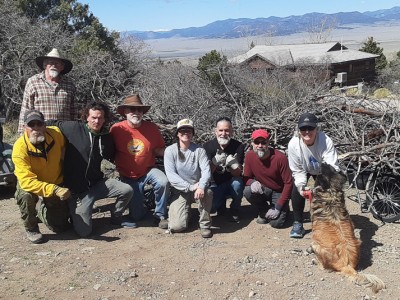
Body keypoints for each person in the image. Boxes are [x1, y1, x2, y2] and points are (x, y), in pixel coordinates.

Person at [50, 102, 134, 237]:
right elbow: (51, 123)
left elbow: (113, 156)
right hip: (75, 191)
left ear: (105, 119)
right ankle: (73, 210)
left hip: (96, 185)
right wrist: (33, 129)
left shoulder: (106, 137)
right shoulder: (73, 128)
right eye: (93, 117)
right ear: (86, 117)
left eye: (100, 118)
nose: (97, 121)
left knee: (127, 190)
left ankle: (116, 216)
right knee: (84, 232)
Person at [110, 94, 170, 229]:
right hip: (128, 175)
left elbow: (159, 150)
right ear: (125, 111)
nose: (136, 113)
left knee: (163, 182)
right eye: (132, 109)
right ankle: (140, 209)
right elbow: (109, 151)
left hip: (148, 170)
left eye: (140, 110)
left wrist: (178, 152)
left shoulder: (152, 128)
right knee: (137, 216)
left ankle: (160, 215)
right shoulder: (116, 129)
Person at [12, 110, 71, 243]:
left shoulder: (56, 134)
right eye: (31, 125)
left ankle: (42, 211)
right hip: (32, 185)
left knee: (60, 226)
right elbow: (27, 181)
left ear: (44, 126)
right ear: (24, 128)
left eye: (39, 124)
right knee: (25, 195)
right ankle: (31, 227)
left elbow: (66, 147)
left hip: (54, 181)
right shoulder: (19, 148)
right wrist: (55, 190)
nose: (36, 128)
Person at [287, 112, 339, 238]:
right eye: (303, 128)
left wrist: (321, 184)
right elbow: (297, 170)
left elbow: (330, 167)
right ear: (298, 130)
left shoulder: (325, 141)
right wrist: (301, 186)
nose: (307, 132)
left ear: (317, 128)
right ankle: (298, 222)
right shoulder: (293, 144)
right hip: (304, 169)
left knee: (327, 192)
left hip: (323, 170)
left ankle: (327, 222)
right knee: (296, 190)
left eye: (310, 128)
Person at [164, 119, 213, 238]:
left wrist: (201, 186)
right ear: (177, 133)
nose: (186, 133)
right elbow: (171, 176)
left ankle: (205, 225)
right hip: (180, 191)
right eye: (182, 130)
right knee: (177, 227)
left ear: (193, 133)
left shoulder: (199, 150)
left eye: (189, 130)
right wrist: (190, 187)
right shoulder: (170, 151)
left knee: (208, 192)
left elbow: (206, 171)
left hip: (198, 189)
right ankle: (184, 214)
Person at [18, 48, 76, 134]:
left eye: (57, 63)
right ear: (45, 65)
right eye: (51, 63)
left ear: (62, 67)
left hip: (64, 134)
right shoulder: (33, 82)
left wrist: (75, 132)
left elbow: (74, 112)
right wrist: (21, 134)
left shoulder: (70, 84)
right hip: (39, 132)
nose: (54, 65)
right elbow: (26, 109)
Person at [243, 129, 293, 228]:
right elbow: (246, 178)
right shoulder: (249, 156)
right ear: (252, 143)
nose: (260, 146)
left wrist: (278, 207)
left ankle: (282, 207)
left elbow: (288, 183)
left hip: (279, 191)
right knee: (247, 191)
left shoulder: (280, 158)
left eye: (263, 142)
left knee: (276, 223)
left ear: (268, 143)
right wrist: (252, 182)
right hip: (263, 188)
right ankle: (264, 209)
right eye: (257, 142)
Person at [203, 117, 244, 222]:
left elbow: (238, 173)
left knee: (238, 184)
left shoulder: (238, 146)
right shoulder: (207, 146)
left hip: (231, 181)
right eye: (221, 130)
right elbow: (206, 173)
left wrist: (233, 164)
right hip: (215, 183)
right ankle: (220, 205)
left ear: (232, 131)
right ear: (215, 131)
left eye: (227, 130)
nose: (223, 133)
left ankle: (234, 209)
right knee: (214, 206)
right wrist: (214, 163)